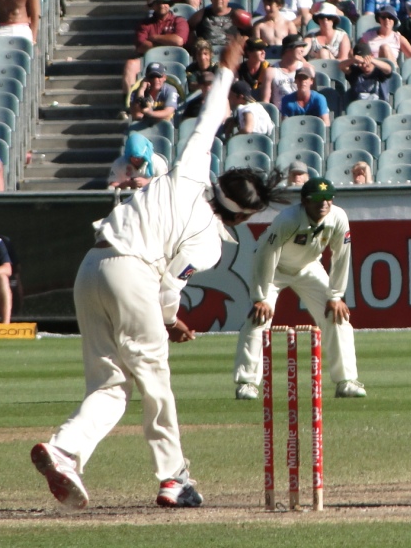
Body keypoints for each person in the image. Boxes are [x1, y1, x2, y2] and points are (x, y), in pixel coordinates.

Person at [31, 38, 283, 511]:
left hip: (90, 267)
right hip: (134, 277)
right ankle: (173, 479)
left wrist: (227, 69)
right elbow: (170, 284)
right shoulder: (210, 243)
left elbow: (209, 118)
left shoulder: (189, 171)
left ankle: (65, 450)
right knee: (155, 381)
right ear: (242, 218)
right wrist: (169, 320)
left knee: (109, 385)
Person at [233, 176, 366, 400]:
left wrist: (335, 295)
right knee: (259, 318)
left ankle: (346, 381)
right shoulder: (288, 219)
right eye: (317, 199)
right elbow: (266, 255)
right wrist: (260, 297)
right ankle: (246, 383)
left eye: (328, 198)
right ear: (304, 201)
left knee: (337, 315)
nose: (323, 204)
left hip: (308, 267)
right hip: (274, 268)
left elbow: (341, 257)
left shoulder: (338, 217)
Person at [122, 0, 189, 105]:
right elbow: (141, 46)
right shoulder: (145, 24)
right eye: (158, 2)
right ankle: (129, 105)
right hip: (149, 61)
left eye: (165, 1)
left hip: (174, 59)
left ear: (170, 4)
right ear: (153, 5)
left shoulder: (179, 21)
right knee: (130, 64)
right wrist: (168, 41)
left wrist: (154, 37)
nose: (162, 5)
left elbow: (179, 41)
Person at [260, 33, 311, 107]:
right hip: (280, 114)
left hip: (300, 113)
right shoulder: (271, 71)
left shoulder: (306, 69)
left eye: (303, 46)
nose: (302, 50)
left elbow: (312, 98)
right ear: (288, 49)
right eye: (299, 46)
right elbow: (266, 101)